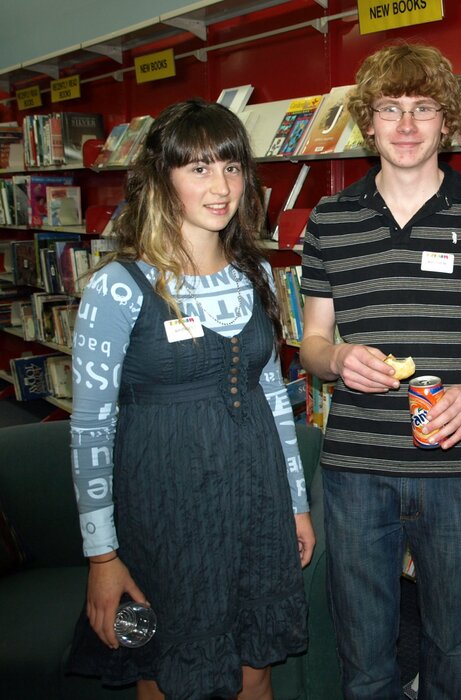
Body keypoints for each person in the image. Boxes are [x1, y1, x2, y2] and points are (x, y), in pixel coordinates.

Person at [298, 44, 461, 700]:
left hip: (453, 466)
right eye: (390, 109)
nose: (406, 125)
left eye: (423, 108)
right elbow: (311, 344)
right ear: (366, 121)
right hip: (354, 470)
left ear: (447, 121)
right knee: (364, 650)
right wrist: (340, 358)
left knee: (449, 640)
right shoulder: (330, 220)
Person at [68, 99, 314, 699]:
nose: (220, 186)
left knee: (255, 671)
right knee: (166, 677)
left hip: (256, 508)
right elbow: (91, 429)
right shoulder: (118, 287)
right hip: (165, 518)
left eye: (231, 167)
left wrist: (296, 504)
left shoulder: (253, 273)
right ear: (162, 177)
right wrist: (103, 558)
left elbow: (274, 398)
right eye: (198, 168)